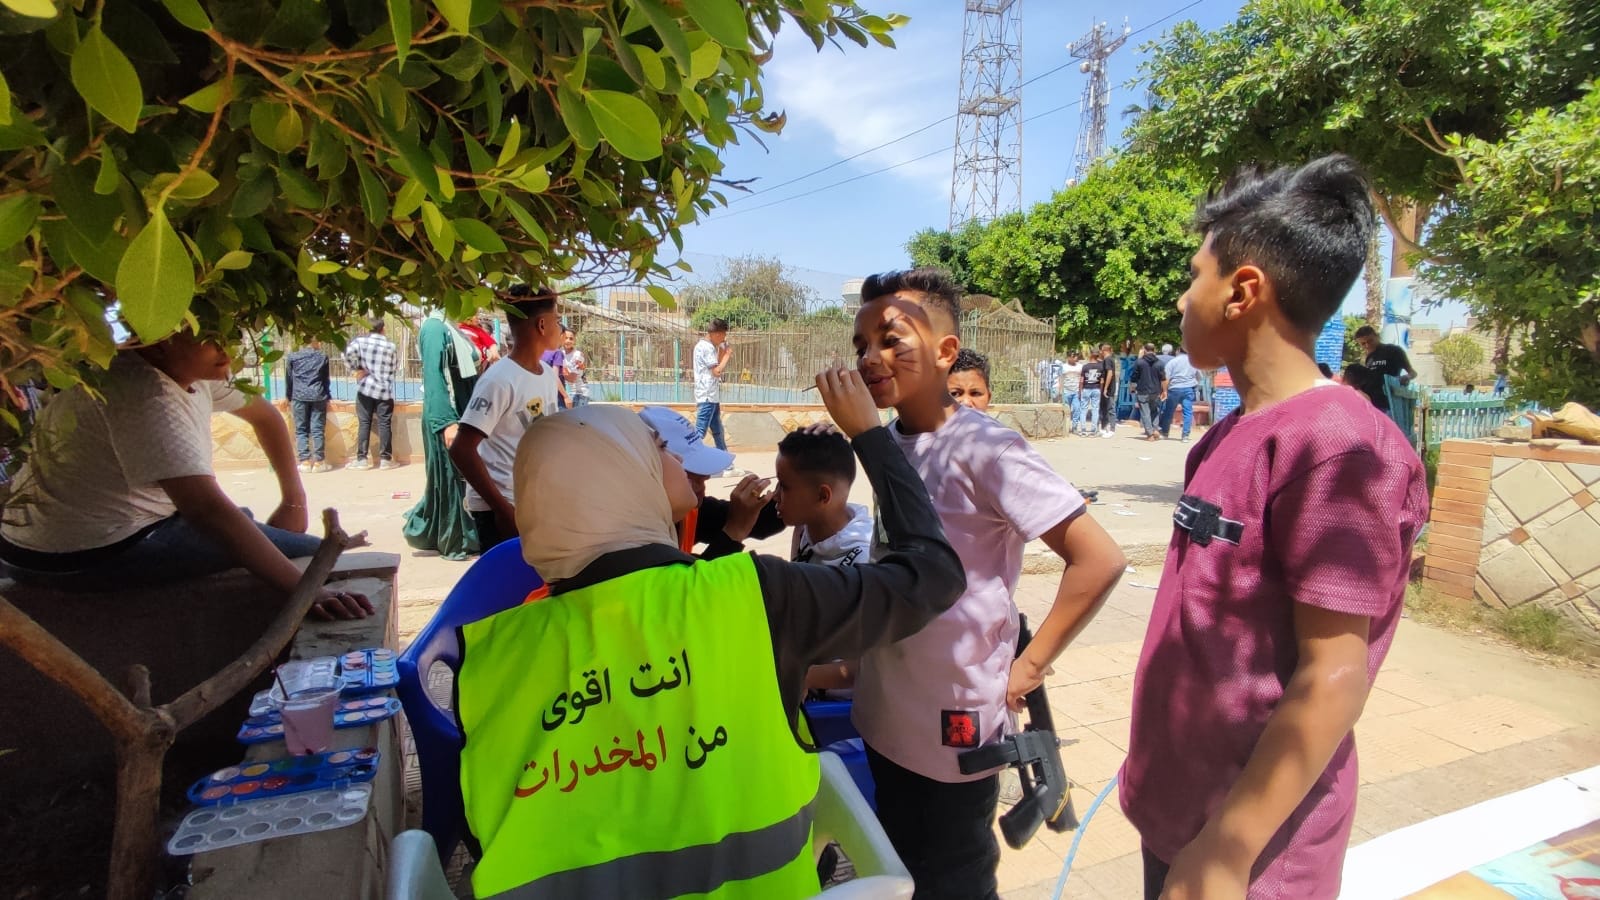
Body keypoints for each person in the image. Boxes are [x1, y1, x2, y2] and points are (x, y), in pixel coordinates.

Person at [454, 375, 967, 899]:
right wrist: (870, 436)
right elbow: (933, 577)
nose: (678, 461)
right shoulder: (754, 595)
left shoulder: (493, 656)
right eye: (658, 449)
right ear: (621, 479)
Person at [1120, 155, 1430, 900]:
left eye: (1194, 277)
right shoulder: (1228, 435)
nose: (1181, 300)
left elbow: (1333, 676)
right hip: (1180, 816)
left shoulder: (1338, 447)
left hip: (1252, 854)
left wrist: (1227, 850)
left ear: (1243, 291)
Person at [849, 267, 1127, 900]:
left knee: (955, 874)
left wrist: (1029, 666)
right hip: (887, 705)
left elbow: (1098, 558)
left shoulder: (987, 449)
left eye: (892, 340)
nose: (870, 358)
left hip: (953, 715)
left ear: (946, 351)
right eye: (861, 344)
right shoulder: (890, 441)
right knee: (902, 861)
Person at [0, 331, 373, 619]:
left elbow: (267, 417)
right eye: (211, 338)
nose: (228, 349)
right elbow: (206, 510)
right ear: (162, 340)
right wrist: (308, 592)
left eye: (229, 335)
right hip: (83, 556)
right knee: (313, 557)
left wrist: (293, 499)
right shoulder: (144, 390)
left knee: (253, 528)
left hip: (35, 545)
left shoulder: (191, 369)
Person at [449, 286, 564, 550]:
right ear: (542, 325)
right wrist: (503, 510)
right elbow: (461, 449)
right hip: (501, 509)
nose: (560, 327)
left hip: (531, 502)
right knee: (505, 574)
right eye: (557, 320)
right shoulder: (499, 380)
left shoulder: (547, 374)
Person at [638, 406, 784, 560]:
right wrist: (734, 531)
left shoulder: (690, 510)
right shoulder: (634, 534)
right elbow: (692, 575)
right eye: (690, 470)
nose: (705, 476)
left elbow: (762, 522)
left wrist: (785, 490)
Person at [402, 310, 483, 561]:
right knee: (451, 478)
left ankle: (465, 534)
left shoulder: (453, 328)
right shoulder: (434, 328)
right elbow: (434, 377)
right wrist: (446, 422)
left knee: (464, 478)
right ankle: (455, 539)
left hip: (463, 413)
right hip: (447, 416)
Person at [344, 317, 399, 470]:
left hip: (365, 388)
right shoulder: (391, 346)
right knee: (384, 423)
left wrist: (358, 369)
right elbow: (394, 367)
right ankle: (385, 460)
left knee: (364, 422)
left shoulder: (360, 342)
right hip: (384, 390)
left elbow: (347, 355)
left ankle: (362, 459)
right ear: (383, 329)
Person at [285, 339, 331, 472]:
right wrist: (328, 395)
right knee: (317, 429)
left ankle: (304, 462)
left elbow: (289, 379)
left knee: (301, 429)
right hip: (318, 395)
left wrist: (288, 396)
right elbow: (325, 379)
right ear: (315, 342)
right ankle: (319, 462)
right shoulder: (322, 357)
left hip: (299, 396)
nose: (320, 344)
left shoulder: (293, 357)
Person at [693, 318, 734, 459]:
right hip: (707, 395)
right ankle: (689, 461)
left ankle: (725, 460)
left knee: (717, 429)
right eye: (723, 335)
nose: (724, 338)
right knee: (700, 432)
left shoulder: (706, 346)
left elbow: (716, 364)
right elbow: (716, 371)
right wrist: (727, 356)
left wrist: (722, 351)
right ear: (717, 334)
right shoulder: (707, 347)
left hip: (711, 396)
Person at [1353, 324, 1416, 412]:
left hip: (1390, 402)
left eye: (1370, 341)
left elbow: (1412, 373)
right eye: (1363, 344)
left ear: (1377, 337)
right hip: (1372, 403)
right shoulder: (1369, 357)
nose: (1367, 345)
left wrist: (1405, 378)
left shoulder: (1394, 350)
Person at [1161, 346, 1200, 442]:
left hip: (1174, 389)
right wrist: (1194, 383)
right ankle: (1185, 436)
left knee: (1169, 411)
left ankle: (1165, 432)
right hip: (1188, 389)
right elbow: (1199, 376)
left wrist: (1165, 390)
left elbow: (1166, 377)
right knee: (1188, 412)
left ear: (1178, 351)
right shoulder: (1193, 362)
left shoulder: (1173, 362)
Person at [1133, 342, 1167, 441]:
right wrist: (1165, 391)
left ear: (1145, 350)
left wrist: (1132, 387)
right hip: (1156, 391)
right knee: (1155, 411)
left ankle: (1150, 434)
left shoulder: (1139, 362)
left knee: (1145, 413)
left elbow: (1134, 377)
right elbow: (1163, 378)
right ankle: (1155, 429)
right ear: (1154, 350)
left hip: (1142, 390)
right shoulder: (1160, 363)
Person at [1076, 346, 1107, 436]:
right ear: (1097, 355)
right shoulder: (1101, 367)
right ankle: (1094, 430)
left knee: (1083, 409)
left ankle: (1083, 430)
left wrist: (1080, 391)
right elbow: (1102, 381)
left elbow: (1081, 380)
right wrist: (1101, 390)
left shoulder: (1085, 366)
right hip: (1096, 389)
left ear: (1091, 355)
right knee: (1095, 409)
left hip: (1086, 389)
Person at [541, 327, 571, 410]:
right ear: (560, 336)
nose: (566, 340)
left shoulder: (540, 350)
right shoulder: (557, 352)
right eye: (565, 337)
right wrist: (566, 396)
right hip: (556, 397)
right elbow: (554, 377)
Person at [562, 328, 589, 408]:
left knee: (578, 416)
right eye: (565, 338)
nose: (568, 341)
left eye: (571, 338)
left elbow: (572, 378)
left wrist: (558, 372)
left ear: (574, 341)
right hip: (572, 392)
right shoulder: (561, 354)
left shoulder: (578, 355)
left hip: (581, 393)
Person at [1098, 343, 1119, 438]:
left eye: (1101, 350)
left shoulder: (1107, 360)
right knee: (1104, 408)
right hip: (1108, 388)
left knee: (1110, 408)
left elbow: (1110, 373)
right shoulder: (1109, 360)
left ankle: (1112, 429)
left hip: (1109, 389)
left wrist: (1105, 388)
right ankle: (1104, 427)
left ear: (1104, 351)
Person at [1061, 350, 1084, 423]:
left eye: (1076, 356)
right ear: (1068, 357)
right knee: (1066, 410)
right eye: (1073, 356)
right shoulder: (1063, 367)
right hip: (1066, 391)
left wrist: (1081, 390)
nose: (1075, 358)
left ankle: (1075, 426)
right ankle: (1065, 425)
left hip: (1076, 391)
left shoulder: (1080, 366)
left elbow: (1082, 378)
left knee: (1077, 409)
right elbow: (1060, 378)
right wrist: (1060, 390)